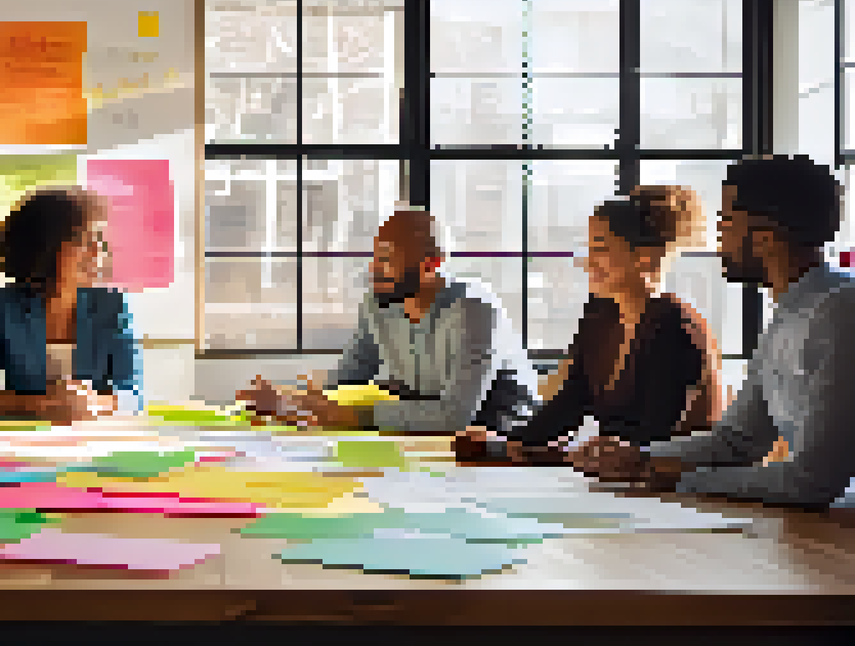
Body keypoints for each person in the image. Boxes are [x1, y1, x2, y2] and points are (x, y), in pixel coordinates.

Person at [574, 155, 855, 509]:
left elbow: (810, 482)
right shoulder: (790, 312)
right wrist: (639, 458)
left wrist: (673, 476)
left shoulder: (841, 312)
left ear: (765, 237)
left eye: (726, 220)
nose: (717, 235)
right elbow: (738, 441)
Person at [456, 185, 723, 465]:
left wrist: (550, 454)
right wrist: (505, 443)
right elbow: (570, 403)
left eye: (601, 248)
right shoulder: (601, 313)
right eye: (589, 248)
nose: (586, 262)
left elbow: (653, 437)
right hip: (618, 476)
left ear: (645, 256)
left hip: (673, 483)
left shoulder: (675, 327)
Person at [239, 209, 535, 433]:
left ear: (430, 264)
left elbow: (455, 415)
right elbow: (346, 380)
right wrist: (288, 399)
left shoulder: (474, 309)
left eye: (385, 259)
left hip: (500, 439)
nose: (372, 268)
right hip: (427, 436)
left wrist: (353, 415)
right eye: (374, 257)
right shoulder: (378, 305)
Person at [0, 186, 142, 427]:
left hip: (96, 439)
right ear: (47, 248)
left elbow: (133, 396)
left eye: (99, 241)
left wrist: (92, 403)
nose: (97, 252)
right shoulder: (2, 305)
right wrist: (44, 404)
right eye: (84, 241)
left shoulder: (113, 305)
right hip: (24, 441)